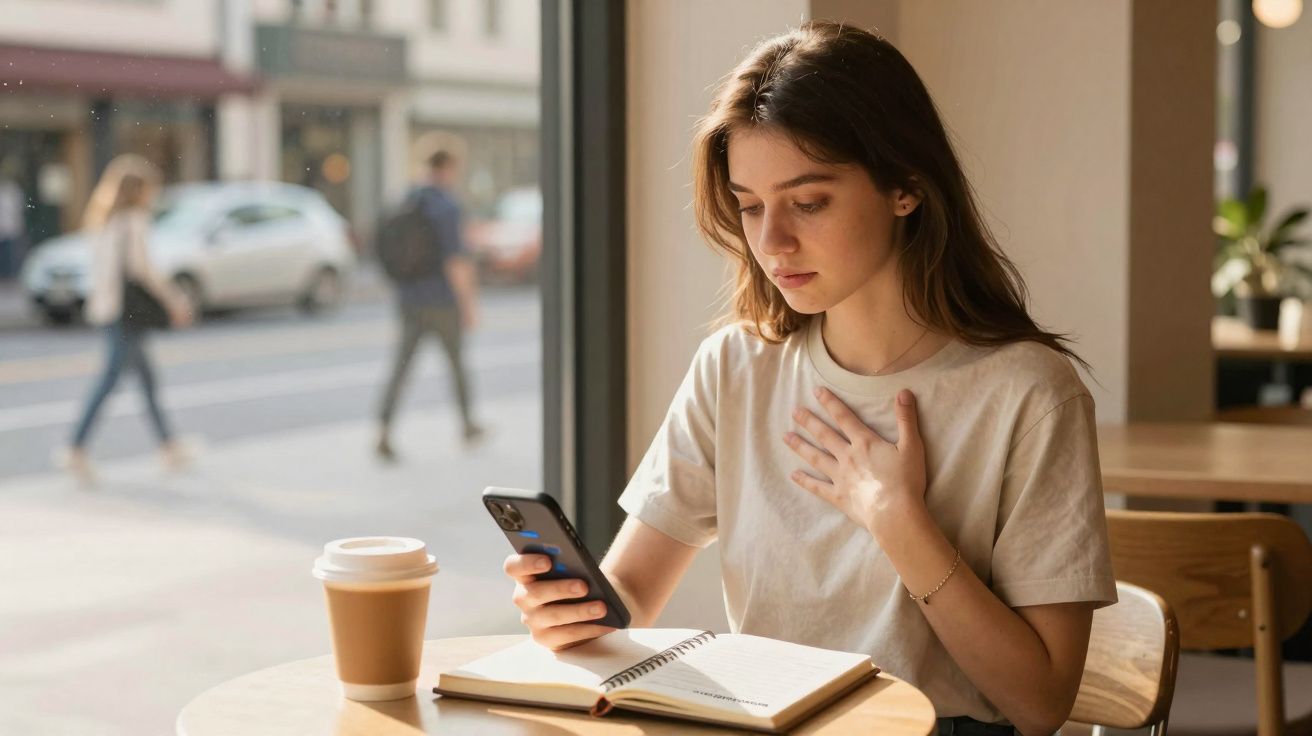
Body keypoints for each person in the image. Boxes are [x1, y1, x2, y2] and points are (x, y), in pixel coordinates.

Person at [503, 22, 1116, 736]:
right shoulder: (735, 367)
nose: (772, 243)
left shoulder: (1030, 393)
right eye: (751, 205)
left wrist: (897, 519)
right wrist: (572, 612)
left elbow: (1039, 704)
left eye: (809, 202)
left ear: (906, 189)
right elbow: (631, 592)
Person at [59, 155, 193, 485]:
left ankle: (169, 446)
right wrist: (174, 299)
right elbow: (142, 269)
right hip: (126, 313)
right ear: (139, 191)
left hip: (108, 310)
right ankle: (75, 449)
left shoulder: (103, 221)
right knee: (110, 380)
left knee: (146, 381)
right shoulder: (133, 221)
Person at [376, 148, 484, 461]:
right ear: (449, 167)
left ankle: (383, 429)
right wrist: (469, 306)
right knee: (457, 365)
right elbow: (456, 261)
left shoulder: (407, 198)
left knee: (401, 366)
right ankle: (467, 425)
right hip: (442, 300)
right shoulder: (447, 206)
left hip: (409, 299)